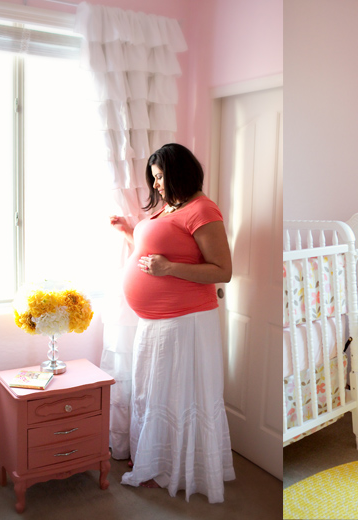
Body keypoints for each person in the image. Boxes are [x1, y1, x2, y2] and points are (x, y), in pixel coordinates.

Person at [110, 143, 235, 503]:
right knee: (155, 394)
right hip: (157, 322)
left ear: (180, 172)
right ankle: (155, 461)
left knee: (177, 396)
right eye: (154, 179)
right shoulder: (171, 208)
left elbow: (222, 270)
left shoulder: (203, 209)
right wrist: (129, 232)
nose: (158, 185)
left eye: (161, 177)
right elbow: (158, 252)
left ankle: (172, 469)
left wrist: (168, 269)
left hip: (187, 321)